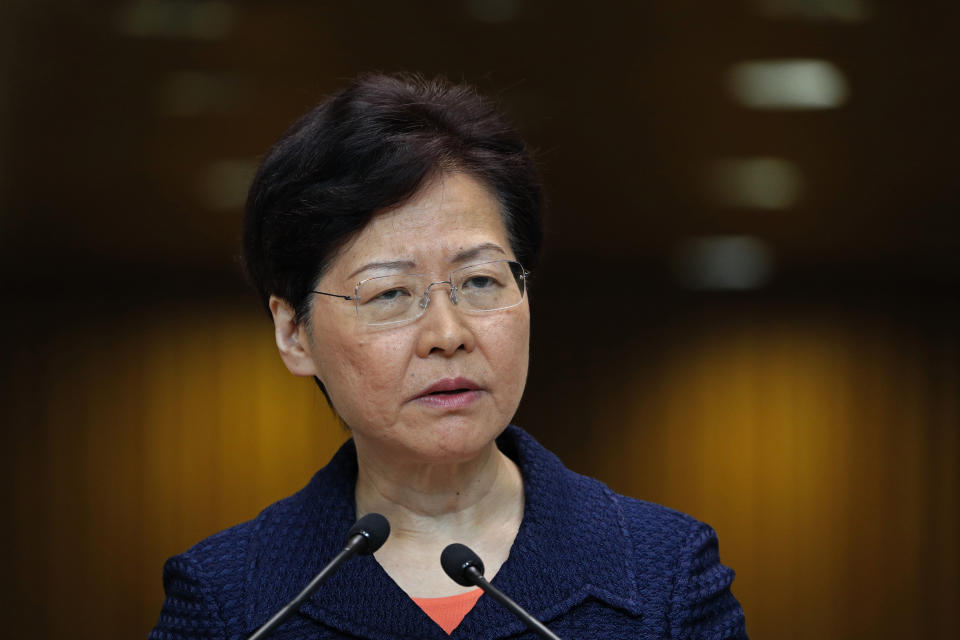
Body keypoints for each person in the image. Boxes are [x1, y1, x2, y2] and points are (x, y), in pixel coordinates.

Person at [149, 73, 748, 640]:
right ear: (293, 333)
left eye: (481, 281)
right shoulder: (229, 600)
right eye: (389, 293)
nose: (448, 333)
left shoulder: (666, 574)